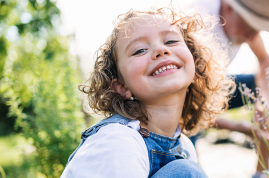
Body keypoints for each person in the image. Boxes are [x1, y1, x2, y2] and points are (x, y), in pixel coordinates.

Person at [61, 7, 235, 178]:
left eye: (170, 41)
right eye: (139, 50)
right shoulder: (118, 140)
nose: (160, 50)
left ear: (196, 67)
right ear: (122, 86)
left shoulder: (184, 146)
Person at [186, 0, 269, 177]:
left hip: (212, 87)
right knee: (189, 169)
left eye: (258, 27)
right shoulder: (198, 26)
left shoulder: (247, 29)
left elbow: (265, 61)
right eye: (249, 24)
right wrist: (242, 128)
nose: (252, 35)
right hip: (185, 105)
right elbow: (187, 108)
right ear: (229, 7)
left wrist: (266, 100)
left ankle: (261, 173)